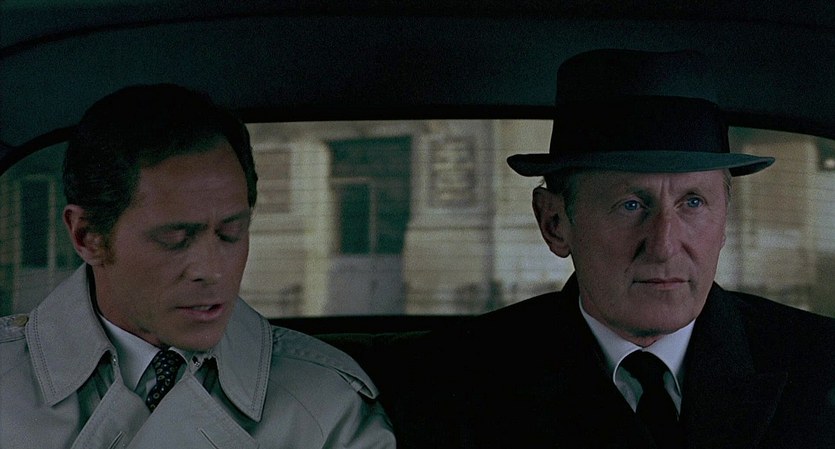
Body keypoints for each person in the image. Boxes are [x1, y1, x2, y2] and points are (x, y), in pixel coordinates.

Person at [382, 49, 835, 449]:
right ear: (554, 224)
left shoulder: (820, 367)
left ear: (724, 220)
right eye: (630, 205)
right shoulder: (455, 380)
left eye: (693, 202)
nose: (663, 246)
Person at [0, 84, 396, 448]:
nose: (212, 271)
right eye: (175, 238)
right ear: (88, 237)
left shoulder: (326, 404)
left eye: (231, 233)